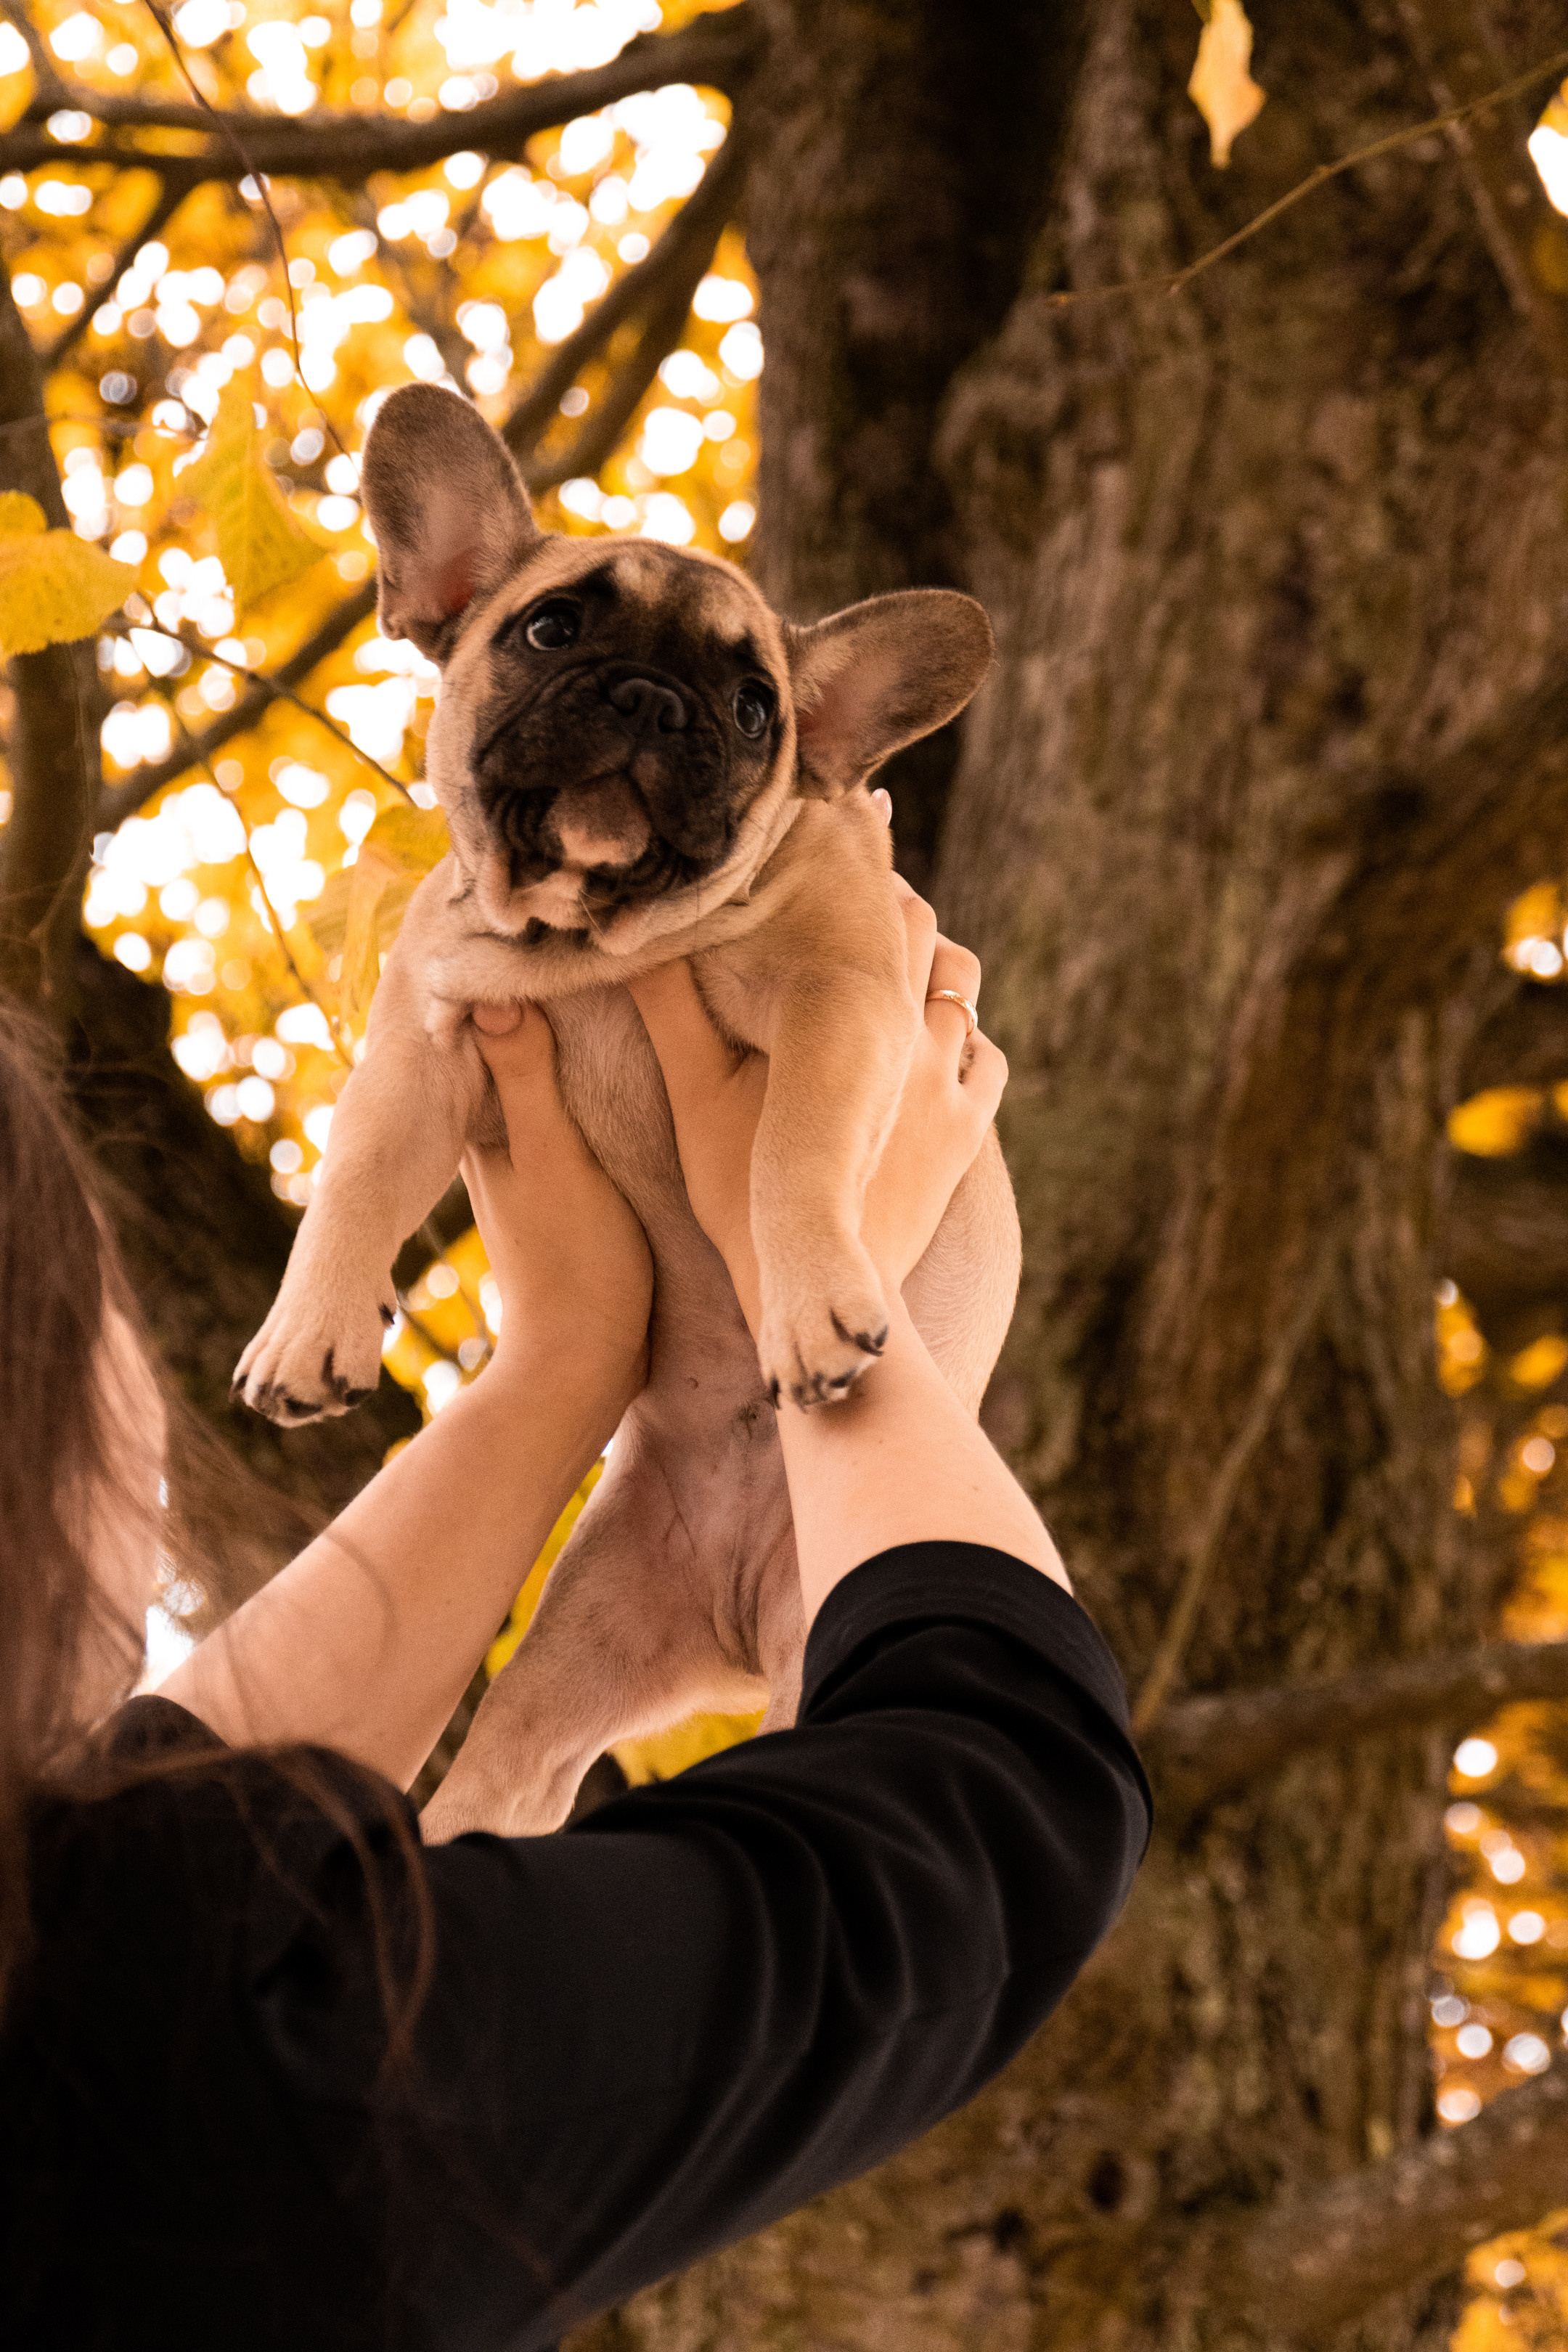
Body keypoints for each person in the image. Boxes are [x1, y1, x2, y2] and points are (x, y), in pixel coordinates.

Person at [0, 886, 1151, 2351]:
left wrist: (564, 1362)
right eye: (102, 1314)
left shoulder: (99, 2011)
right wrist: (825, 1291)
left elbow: (159, 1871)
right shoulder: (177, 2096)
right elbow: (999, 1816)